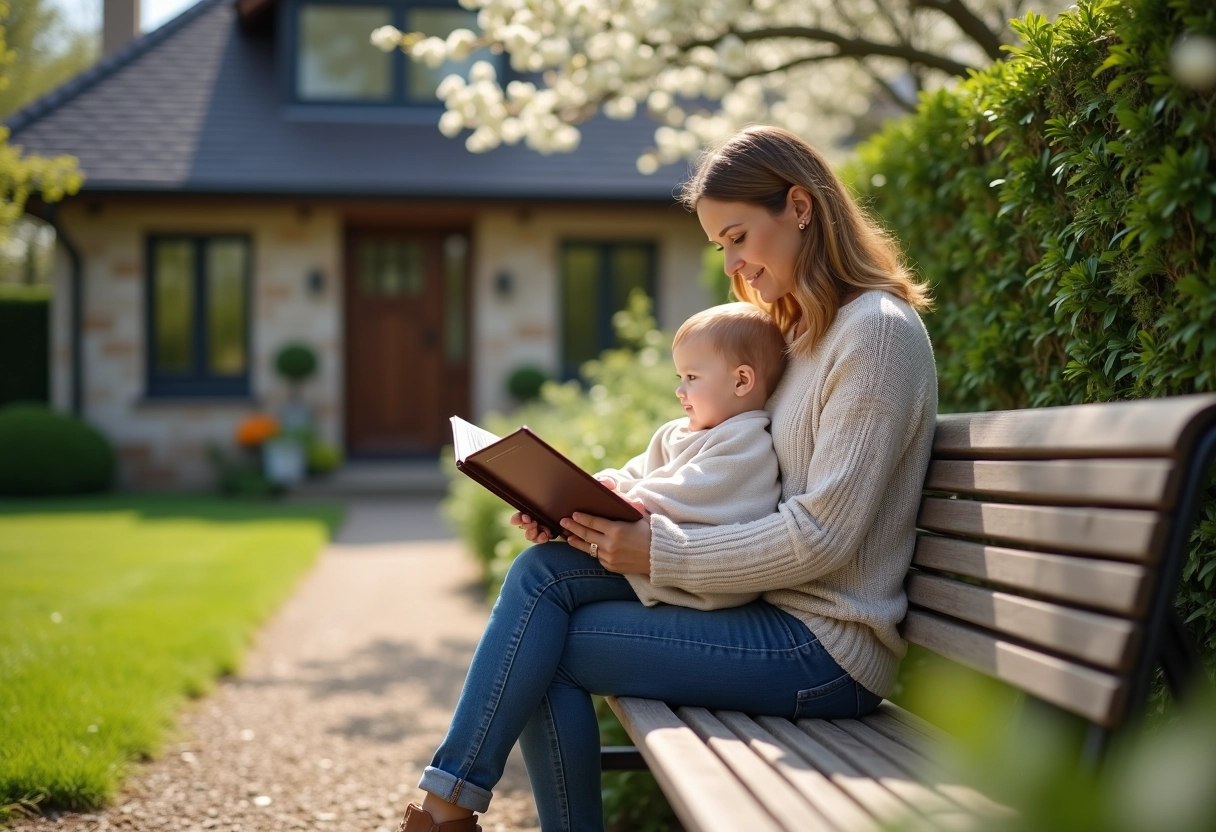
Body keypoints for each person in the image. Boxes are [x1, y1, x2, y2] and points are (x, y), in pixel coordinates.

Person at [396, 125, 937, 832]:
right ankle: (446, 808)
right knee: (542, 572)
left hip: (825, 649)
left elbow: (824, 537)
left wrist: (658, 551)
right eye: (721, 247)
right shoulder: (799, 336)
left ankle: (445, 811)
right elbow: (713, 463)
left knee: (550, 650)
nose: (733, 266)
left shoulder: (877, 335)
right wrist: (574, 508)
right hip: (768, 608)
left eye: (738, 237)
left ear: (800, 207)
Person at [594, 301, 786, 611]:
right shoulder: (675, 433)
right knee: (544, 565)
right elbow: (635, 474)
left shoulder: (748, 442)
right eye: (679, 378)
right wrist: (605, 485)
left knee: (545, 571)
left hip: (701, 588)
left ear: (741, 381)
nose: (680, 391)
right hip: (652, 567)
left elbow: (684, 492)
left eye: (692, 378)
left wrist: (611, 502)